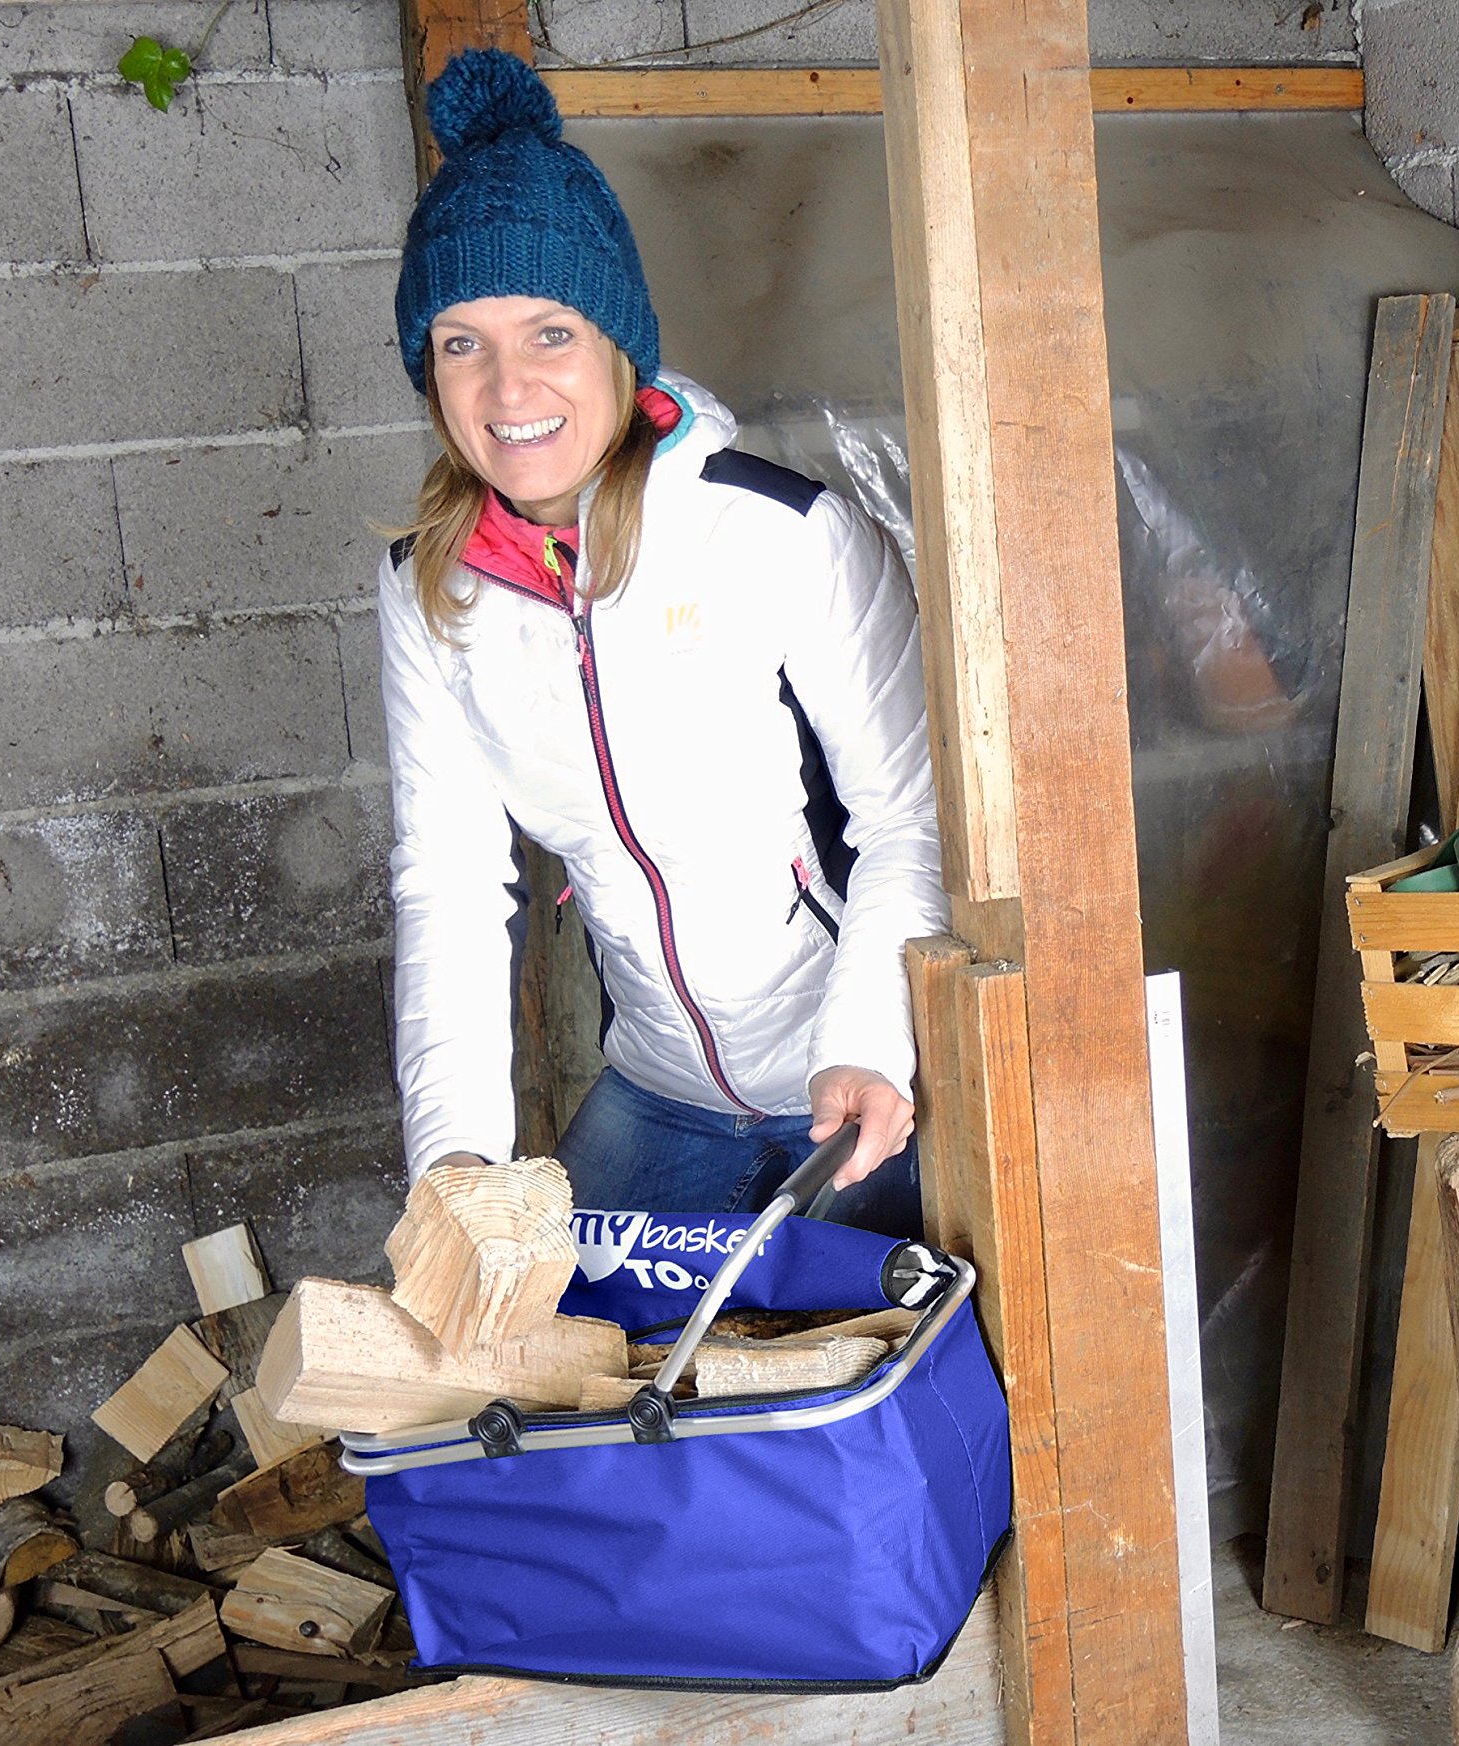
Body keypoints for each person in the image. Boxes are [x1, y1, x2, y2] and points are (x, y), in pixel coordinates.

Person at [376, 50, 948, 1235]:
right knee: (550, 1374)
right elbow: (448, 883)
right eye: (460, 343)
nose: (506, 384)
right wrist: (458, 1164)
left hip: (864, 1071)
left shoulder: (779, 531)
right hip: (662, 1088)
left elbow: (911, 817)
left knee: (878, 1387)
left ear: (616, 346)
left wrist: (863, 1049)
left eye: (548, 331)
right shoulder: (430, 588)